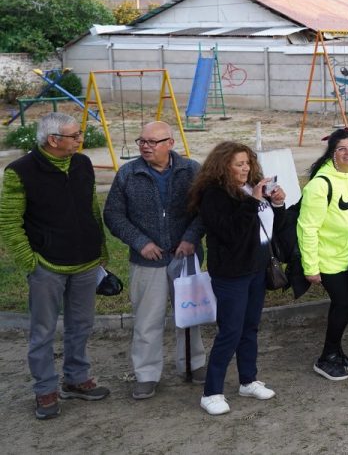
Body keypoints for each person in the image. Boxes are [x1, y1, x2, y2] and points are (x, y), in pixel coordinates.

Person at [0, 113, 110, 419]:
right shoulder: (19, 172)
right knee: (43, 330)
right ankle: (45, 389)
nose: (80, 140)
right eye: (74, 136)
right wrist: (30, 263)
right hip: (46, 266)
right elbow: (9, 223)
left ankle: (76, 378)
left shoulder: (82, 164)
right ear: (53, 140)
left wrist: (100, 249)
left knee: (81, 325)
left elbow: (91, 208)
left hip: (86, 262)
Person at [104, 121, 205, 400]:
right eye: (142, 141)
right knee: (148, 319)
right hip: (147, 261)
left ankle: (193, 364)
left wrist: (191, 238)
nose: (145, 146)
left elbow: (205, 210)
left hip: (185, 256)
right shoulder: (128, 173)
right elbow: (113, 215)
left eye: (152, 142)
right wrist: (141, 243)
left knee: (190, 313)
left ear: (170, 143)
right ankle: (146, 374)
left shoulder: (192, 170)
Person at [190, 141, 286, 415]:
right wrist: (254, 202)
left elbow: (270, 228)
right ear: (223, 166)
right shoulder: (214, 194)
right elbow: (232, 233)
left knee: (250, 327)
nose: (245, 169)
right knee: (230, 331)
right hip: (232, 273)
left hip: (257, 269)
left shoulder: (252, 188)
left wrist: (277, 204)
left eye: (247, 163)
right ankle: (211, 392)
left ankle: (248, 379)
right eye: (238, 164)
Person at [299, 129, 348, 381]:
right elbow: (307, 227)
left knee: (347, 306)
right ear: (332, 154)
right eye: (341, 149)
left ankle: (337, 351)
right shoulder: (321, 184)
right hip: (329, 259)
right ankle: (326, 357)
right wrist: (311, 266)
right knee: (343, 305)